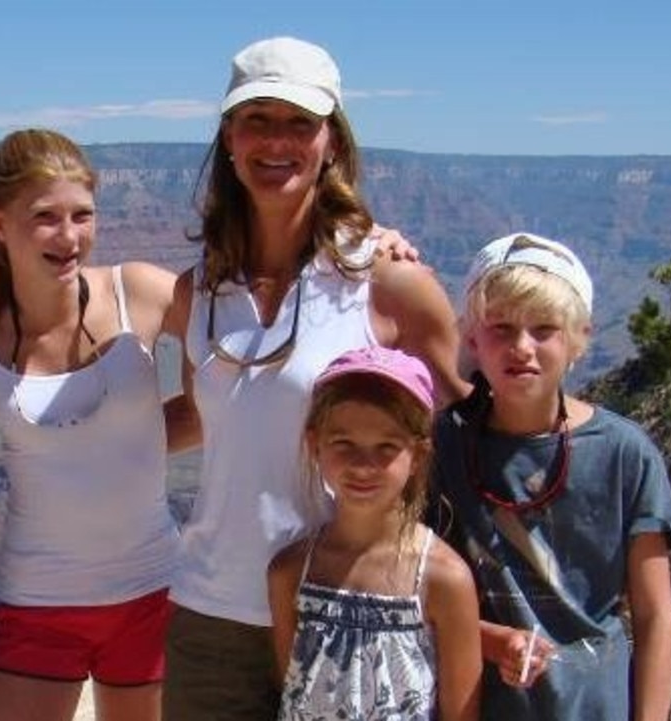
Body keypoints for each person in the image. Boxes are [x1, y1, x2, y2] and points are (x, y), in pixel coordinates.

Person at [162, 36, 469, 720]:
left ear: (332, 141)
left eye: (300, 122)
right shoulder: (199, 291)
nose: (277, 142)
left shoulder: (388, 284)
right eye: (257, 120)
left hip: (350, 606)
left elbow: (465, 434)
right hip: (210, 611)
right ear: (229, 138)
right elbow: (197, 415)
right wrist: (78, 444)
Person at [0, 129, 189, 721]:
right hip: (37, 600)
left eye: (83, 215)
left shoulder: (142, 295)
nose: (70, 235)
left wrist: (374, 248)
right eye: (46, 217)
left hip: (153, 591)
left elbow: (236, 357)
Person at [431, 232, 671, 719]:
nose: (522, 347)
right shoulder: (442, 447)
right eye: (501, 328)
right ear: (473, 340)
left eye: (543, 329)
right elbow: (405, 584)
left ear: (579, 340)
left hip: (593, 705)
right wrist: (489, 639)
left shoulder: (624, 455)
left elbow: (654, 614)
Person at [269, 346, 482, 721]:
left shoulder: (444, 579)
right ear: (314, 444)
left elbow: (462, 712)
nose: (363, 466)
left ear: (417, 456)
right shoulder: (290, 573)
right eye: (344, 444)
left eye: (386, 447)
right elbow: (294, 692)